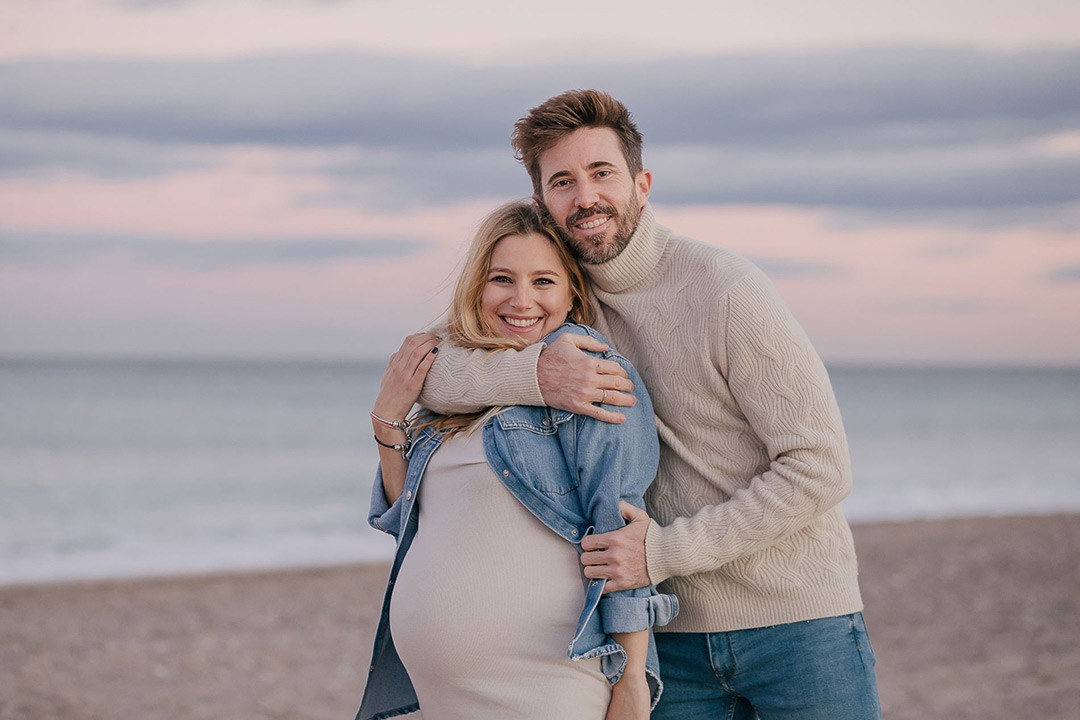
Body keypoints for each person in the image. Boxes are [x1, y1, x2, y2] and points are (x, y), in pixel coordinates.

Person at [417, 90, 882, 719]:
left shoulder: (725, 289)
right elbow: (434, 372)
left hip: (797, 623)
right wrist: (535, 375)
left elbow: (820, 466)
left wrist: (661, 553)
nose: (585, 197)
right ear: (542, 202)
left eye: (601, 173)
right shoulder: (560, 304)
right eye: (563, 181)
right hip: (668, 641)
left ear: (642, 183)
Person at [355, 200, 678, 720]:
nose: (522, 300)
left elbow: (619, 536)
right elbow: (407, 521)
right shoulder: (453, 384)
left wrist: (634, 680)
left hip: (546, 679)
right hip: (440, 692)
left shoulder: (591, 376)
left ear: (573, 290)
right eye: (502, 278)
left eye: (544, 281)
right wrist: (387, 420)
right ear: (477, 285)